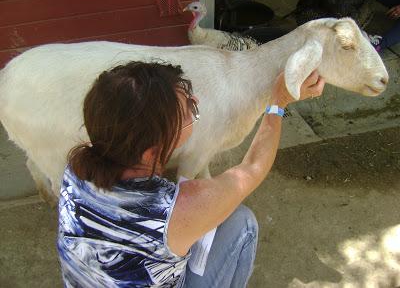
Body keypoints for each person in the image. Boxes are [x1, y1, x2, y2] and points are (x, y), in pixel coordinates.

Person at [57, 61, 325, 288]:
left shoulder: (77, 166)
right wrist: (278, 103)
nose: (196, 102)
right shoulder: (176, 209)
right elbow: (252, 169)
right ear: (152, 152)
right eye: (189, 111)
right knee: (242, 222)